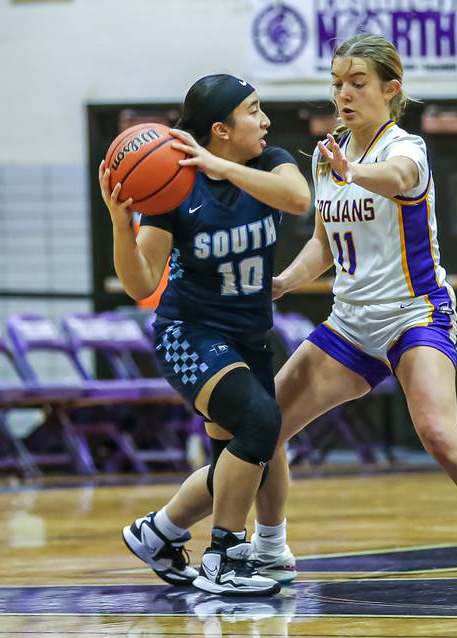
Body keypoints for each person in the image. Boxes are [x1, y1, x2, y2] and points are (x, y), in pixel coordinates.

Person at [124, 33, 457, 592]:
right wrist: (284, 281)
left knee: (437, 431)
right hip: (349, 322)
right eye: (336, 84)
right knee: (262, 428)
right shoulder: (331, 153)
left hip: (414, 312)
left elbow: (399, 181)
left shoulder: (405, 149)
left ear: (390, 89)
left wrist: (352, 173)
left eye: (357, 83)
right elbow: (326, 246)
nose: (344, 95)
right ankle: (217, 538)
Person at [102, 73, 311, 596]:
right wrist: (119, 223)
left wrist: (222, 166)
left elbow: (298, 199)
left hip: (249, 337)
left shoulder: (271, 161)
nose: (265, 122)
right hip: (189, 333)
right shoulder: (174, 187)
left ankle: (160, 532)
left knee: (242, 461)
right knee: (263, 422)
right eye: (254, 111)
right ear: (220, 128)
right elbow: (141, 282)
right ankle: (225, 556)